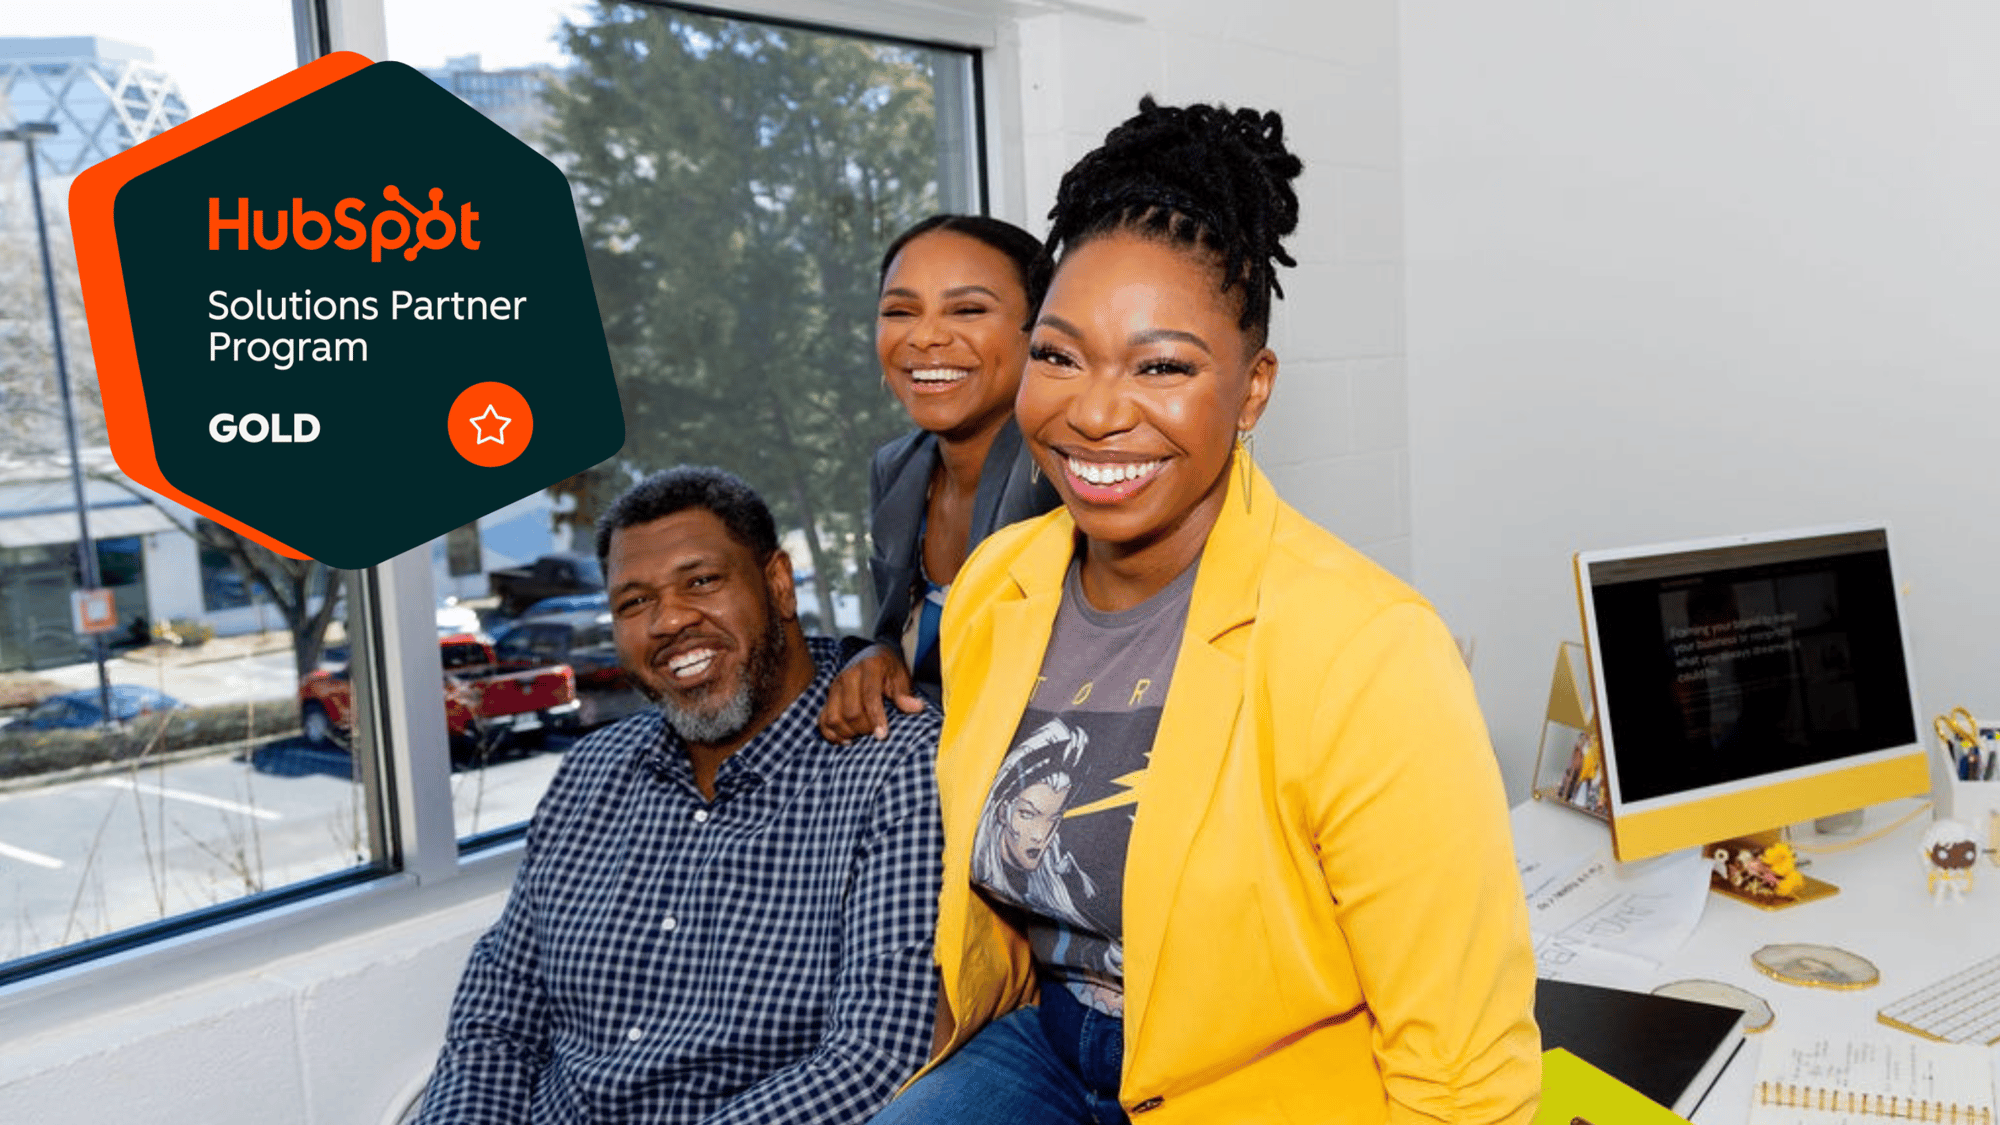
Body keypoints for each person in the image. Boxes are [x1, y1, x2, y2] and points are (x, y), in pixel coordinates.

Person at [871, 99, 1540, 1124]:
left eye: (1162, 365)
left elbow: (1462, 1066)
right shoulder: (994, 591)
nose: (1093, 411)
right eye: (1057, 355)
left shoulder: (1366, 651)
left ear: (1251, 388)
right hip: (1049, 1041)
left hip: (1263, 1081)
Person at [415, 466, 943, 1125]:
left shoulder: (896, 764)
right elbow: (498, 1013)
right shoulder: (591, 772)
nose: (668, 620)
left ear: (778, 583)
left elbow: (876, 1058)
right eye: (634, 602)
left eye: (701, 581)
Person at [819, 214, 1060, 743]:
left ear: (1042, 327)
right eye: (900, 311)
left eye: (968, 309)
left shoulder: (1070, 473)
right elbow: (895, 632)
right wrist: (879, 656)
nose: (925, 337)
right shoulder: (897, 468)